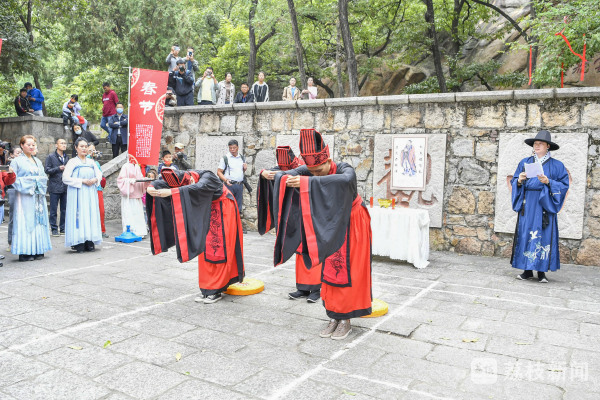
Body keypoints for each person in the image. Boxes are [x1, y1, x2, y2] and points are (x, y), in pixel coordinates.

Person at [273, 129, 372, 340]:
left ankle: (346, 319)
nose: (316, 174)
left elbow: (344, 181)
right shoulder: (312, 171)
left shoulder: (345, 169)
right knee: (329, 270)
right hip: (328, 223)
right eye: (312, 172)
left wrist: (307, 182)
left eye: (319, 170)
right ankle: (334, 315)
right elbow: (288, 173)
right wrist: (273, 176)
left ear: (328, 160)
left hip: (351, 222)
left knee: (348, 270)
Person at [146, 168, 244, 303]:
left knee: (217, 249)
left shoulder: (207, 176)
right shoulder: (183, 177)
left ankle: (216, 289)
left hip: (223, 208)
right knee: (204, 248)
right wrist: (151, 187)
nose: (189, 183)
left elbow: (197, 187)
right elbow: (162, 183)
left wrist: (171, 192)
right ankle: (207, 287)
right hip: (206, 209)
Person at [257, 146, 322, 302]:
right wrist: (263, 173)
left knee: (312, 250)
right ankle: (302, 287)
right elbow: (275, 172)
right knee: (299, 250)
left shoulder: (306, 167)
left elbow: (319, 182)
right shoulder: (285, 168)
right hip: (297, 215)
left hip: (312, 213)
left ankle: (316, 289)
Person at [511, 130, 570, 283]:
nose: (536, 146)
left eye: (540, 143)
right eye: (535, 144)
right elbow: (515, 180)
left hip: (545, 203)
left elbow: (564, 185)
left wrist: (548, 182)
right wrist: (519, 180)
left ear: (547, 146)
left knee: (544, 234)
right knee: (526, 233)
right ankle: (527, 270)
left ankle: (542, 271)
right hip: (528, 204)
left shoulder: (557, 165)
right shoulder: (525, 162)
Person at [11, 135, 52, 261]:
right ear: (22, 145)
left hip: (38, 196)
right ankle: (25, 251)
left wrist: (38, 182)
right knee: (25, 221)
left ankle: (39, 249)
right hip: (24, 195)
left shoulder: (38, 161)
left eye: (33, 144)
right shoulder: (16, 161)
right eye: (28, 144)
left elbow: (44, 177)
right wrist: (31, 183)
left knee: (39, 221)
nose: (31, 147)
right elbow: (13, 179)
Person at [63, 137, 103, 253]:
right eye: (81, 146)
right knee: (79, 215)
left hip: (90, 193)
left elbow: (99, 174)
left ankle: (89, 240)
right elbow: (65, 178)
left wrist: (95, 179)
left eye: (86, 146)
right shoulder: (72, 162)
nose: (84, 148)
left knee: (90, 214)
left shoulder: (91, 162)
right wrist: (81, 181)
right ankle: (78, 241)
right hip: (78, 193)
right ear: (76, 148)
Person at [217, 139, 247, 225]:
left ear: (238, 147)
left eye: (234, 148)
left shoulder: (242, 158)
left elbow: (241, 171)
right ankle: (227, 227)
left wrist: (244, 169)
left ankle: (236, 227)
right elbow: (219, 172)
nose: (232, 150)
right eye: (230, 148)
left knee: (238, 208)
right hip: (229, 185)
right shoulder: (225, 158)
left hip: (239, 185)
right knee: (228, 207)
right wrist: (226, 180)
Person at [117, 160, 150, 238]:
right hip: (129, 196)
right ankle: (130, 231)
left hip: (137, 193)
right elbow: (120, 180)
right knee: (129, 214)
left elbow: (140, 178)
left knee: (138, 214)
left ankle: (140, 231)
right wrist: (129, 181)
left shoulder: (137, 166)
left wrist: (145, 180)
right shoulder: (125, 166)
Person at [44, 138, 70, 236]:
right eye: (61, 143)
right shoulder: (51, 156)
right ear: (56, 145)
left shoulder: (67, 157)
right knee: (53, 210)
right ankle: (54, 228)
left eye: (65, 143)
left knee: (64, 209)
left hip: (65, 186)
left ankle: (63, 228)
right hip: (54, 186)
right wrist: (58, 168)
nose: (64, 145)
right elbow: (47, 170)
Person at [87, 144, 109, 238]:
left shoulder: (96, 162)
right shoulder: (85, 161)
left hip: (98, 188)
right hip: (88, 188)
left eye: (94, 150)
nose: (93, 152)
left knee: (101, 210)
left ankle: (102, 230)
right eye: (90, 150)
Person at [5, 147, 22, 252]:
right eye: (17, 152)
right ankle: (10, 242)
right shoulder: (10, 164)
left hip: (23, 191)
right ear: (12, 155)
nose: (20, 154)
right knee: (12, 217)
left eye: (21, 152)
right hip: (12, 190)